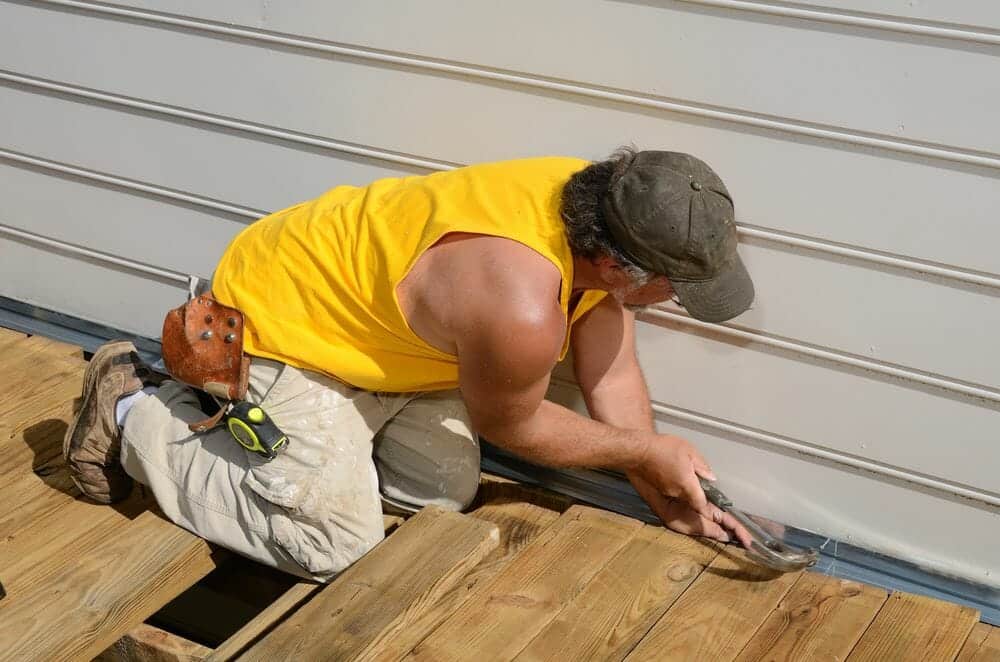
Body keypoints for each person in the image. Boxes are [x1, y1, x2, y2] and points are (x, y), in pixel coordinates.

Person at [63, 148, 755, 582]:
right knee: (333, 542)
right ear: (616, 264)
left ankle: (289, 453)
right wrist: (645, 451)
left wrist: (657, 484)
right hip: (286, 322)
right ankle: (132, 412)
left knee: (437, 497)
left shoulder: (596, 207)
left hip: (378, 336)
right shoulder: (519, 305)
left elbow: (613, 373)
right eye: (674, 287)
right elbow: (513, 426)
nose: (674, 302)